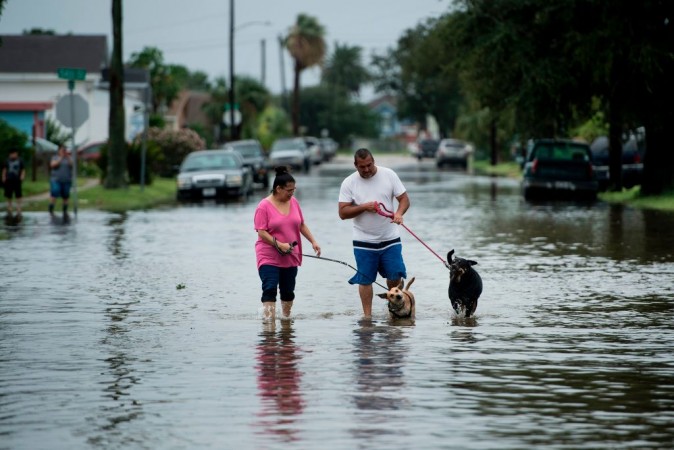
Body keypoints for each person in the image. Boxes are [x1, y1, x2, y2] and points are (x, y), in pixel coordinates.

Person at [338, 148, 411, 318]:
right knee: (365, 279)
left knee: (395, 274)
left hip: (390, 238)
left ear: (373, 161)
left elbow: (404, 199)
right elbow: (342, 213)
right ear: (355, 165)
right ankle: (367, 318)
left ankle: (393, 310)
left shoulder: (389, 175)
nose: (366, 169)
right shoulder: (349, 182)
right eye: (362, 167)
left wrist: (399, 213)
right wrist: (364, 207)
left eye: (369, 165)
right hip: (363, 240)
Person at [254, 166, 321, 321]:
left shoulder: (294, 202)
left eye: (293, 190)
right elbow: (261, 232)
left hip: (290, 254)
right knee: (270, 288)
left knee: (288, 292)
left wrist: (313, 241)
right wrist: (279, 244)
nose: (292, 193)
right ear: (278, 188)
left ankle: (286, 322)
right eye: (289, 190)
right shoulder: (263, 206)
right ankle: (269, 326)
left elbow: (301, 224)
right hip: (268, 255)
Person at [49, 145, 73, 217]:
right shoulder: (55, 157)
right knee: (55, 192)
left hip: (66, 180)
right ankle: (51, 209)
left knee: (66, 195)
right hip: (56, 180)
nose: (63, 151)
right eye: (62, 150)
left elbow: (72, 165)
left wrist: (67, 157)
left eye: (64, 150)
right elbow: (53, 165)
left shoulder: (69, 158)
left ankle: (65, 211)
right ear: (59, 150)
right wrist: (61, 157)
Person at [2, 149, 26, 217]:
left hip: (17, 180)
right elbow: (4, 169)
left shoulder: (20, 160)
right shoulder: (7, 161)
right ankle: (9, 206)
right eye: (12, 154)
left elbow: (23, 169)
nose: (13, 155)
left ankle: (19, 207)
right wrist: (3, 177)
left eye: (15, 153)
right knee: (9, 194)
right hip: (9, 179)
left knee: (18, 194)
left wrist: (22, 176)